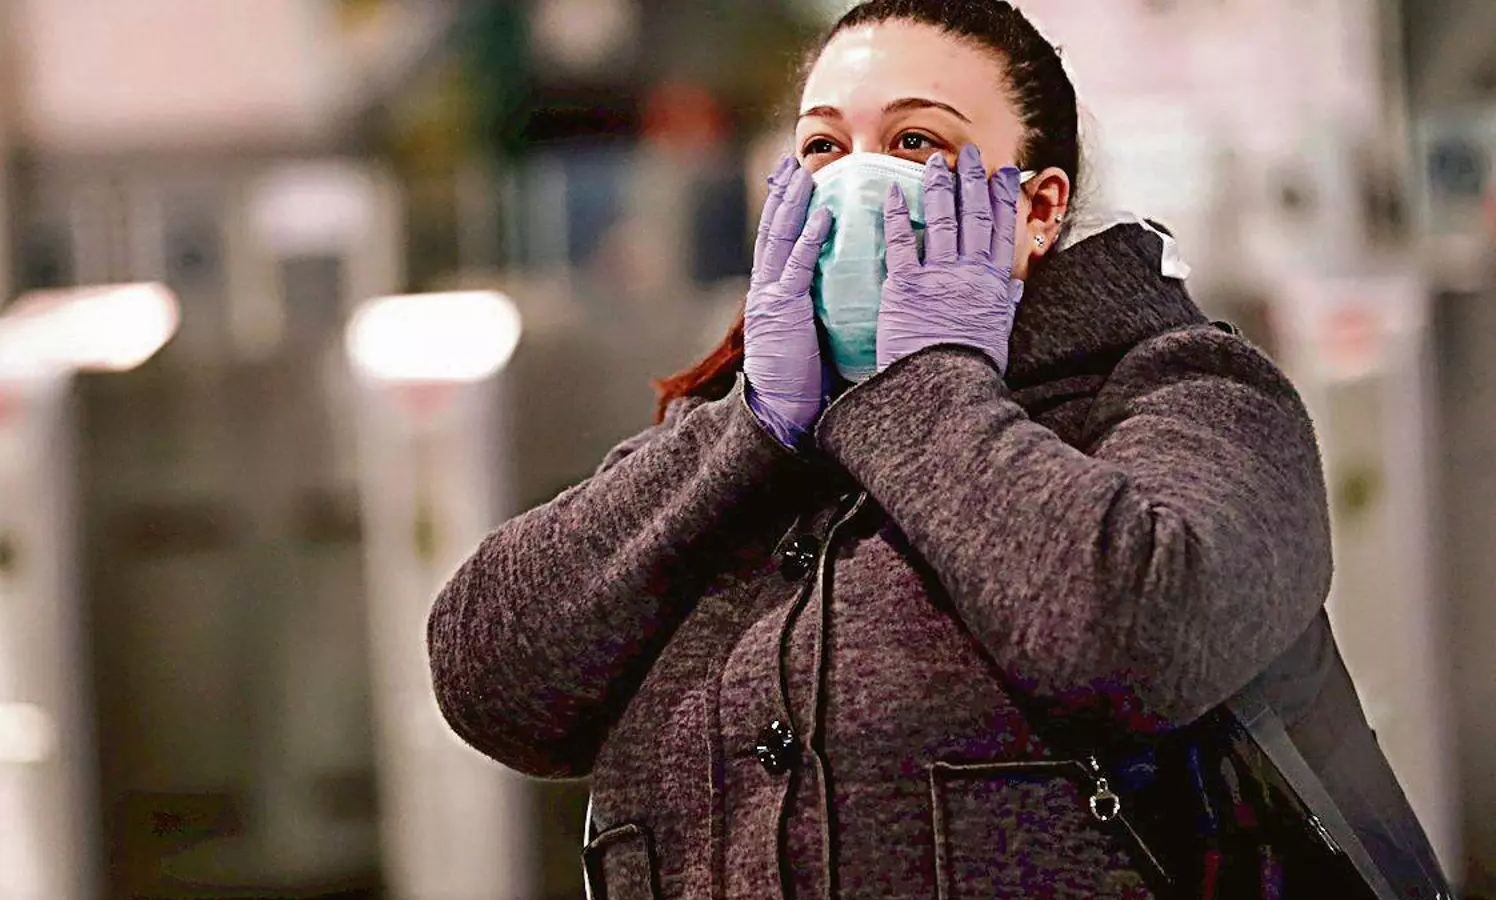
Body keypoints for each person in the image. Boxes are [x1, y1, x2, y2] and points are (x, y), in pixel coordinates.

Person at [427, 1, 1450, 897]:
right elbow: (490, 679)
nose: (855, 180)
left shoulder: (1191, 396)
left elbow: (1136, 634)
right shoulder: (732, 446)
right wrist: (749, 429)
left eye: (915, 142)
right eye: (823, 148)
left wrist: (921, 385)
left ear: (1037, 209)